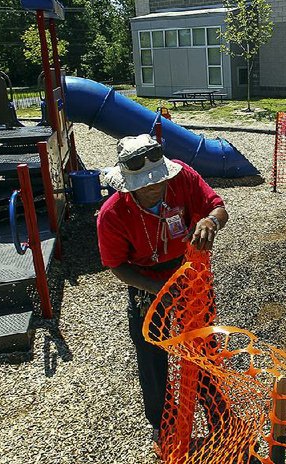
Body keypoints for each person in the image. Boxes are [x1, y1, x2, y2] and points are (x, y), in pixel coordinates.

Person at [96, 134, 228, 453]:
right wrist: (159, 290)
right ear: (128, 184)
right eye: (145, 185)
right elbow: (116, 266)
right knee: (152, 352)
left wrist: (210, 221)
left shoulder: (182, 177)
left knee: (203, 344)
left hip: (187, 271)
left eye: (158, 181)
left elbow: (217, 207)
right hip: (146, 281)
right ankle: (162, 425)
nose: (155, 188)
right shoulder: (111, 215)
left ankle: (219, 419)